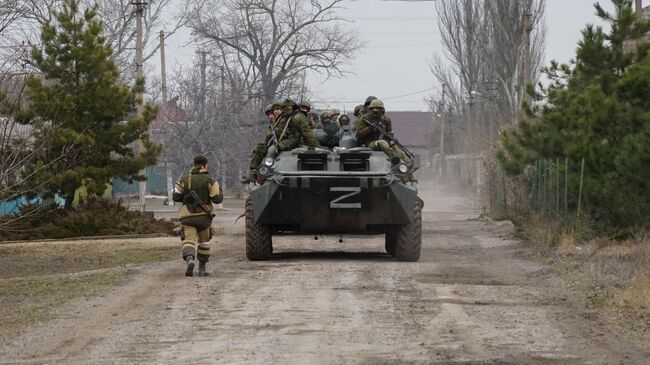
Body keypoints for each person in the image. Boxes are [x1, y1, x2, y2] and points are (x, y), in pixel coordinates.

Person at [173, 155, 223, 277]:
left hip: (187, 217)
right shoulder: (210, 180)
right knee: (204, 243)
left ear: (194, 164)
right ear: (205, 165)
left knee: (188, 241)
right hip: (204, 218)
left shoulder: (184, 179)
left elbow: (175, 196)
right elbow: (217, 199)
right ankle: (202, 269)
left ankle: (190, 259)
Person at [355, 99, 409, 164]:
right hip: (370, 144)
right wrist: (370, 128)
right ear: (370, 109)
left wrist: (391, 141)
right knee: (382, 143)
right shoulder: (365, 119)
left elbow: (389, 134)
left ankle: (406, 166)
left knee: (398, 151)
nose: (375, 110)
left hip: (386, 143)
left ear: (381, 109)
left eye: (377, 108)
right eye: (373, 108)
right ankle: (396, 160)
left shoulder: (386, 120)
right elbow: (359, 134)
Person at [246, 102, 282, 181]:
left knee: (268, 156)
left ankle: (260, 175)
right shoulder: (272, 125)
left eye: (271, 114)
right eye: (268, 115)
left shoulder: (281, 122)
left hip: (281, 146)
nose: (270, 116)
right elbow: (268, 140)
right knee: (259, 148)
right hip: (271, 146)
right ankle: (253, 173)